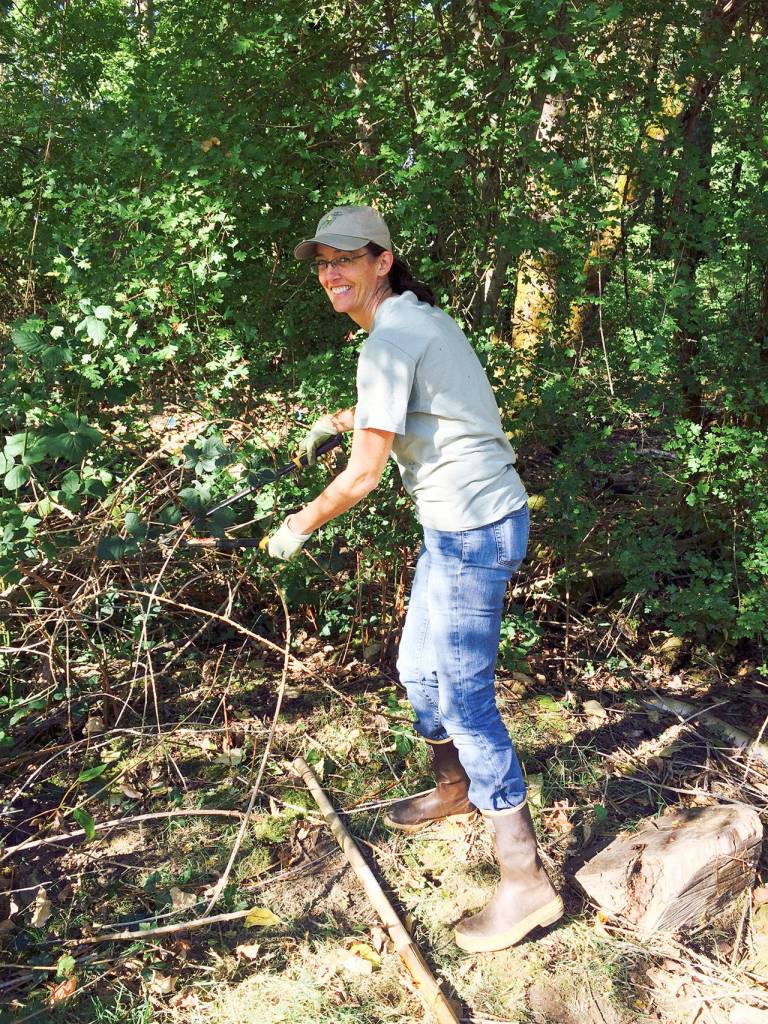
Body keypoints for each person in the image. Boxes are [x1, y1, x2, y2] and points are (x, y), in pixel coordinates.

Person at [264, 204, 562, 953]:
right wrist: (341, 419)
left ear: (382, 261)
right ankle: (456, 788)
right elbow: (417, 405)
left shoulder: (391, 338)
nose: (331, 274)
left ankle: (526, 880)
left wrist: (298, 525)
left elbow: (364, 476)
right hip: (463, 524)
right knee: (418, 672)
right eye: (323, 263)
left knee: (465, 700)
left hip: (472, 532)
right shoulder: (417, 321)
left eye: (345, 259)